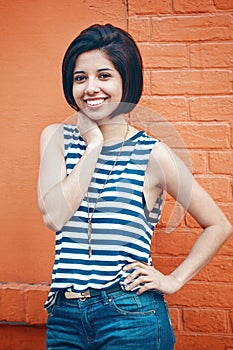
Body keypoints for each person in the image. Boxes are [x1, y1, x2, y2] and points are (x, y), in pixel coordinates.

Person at [37, 23, 232, 350]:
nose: (91, 88)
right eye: (80, 78)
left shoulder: (152, 154)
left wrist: (172, 280)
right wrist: (95, 145)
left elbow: (218, 224)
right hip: (64, 317)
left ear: (126, 80)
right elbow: (54, 216)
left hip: (130, 315)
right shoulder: (56, 138)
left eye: (104, 75)